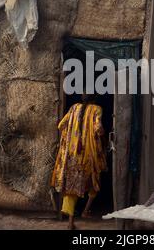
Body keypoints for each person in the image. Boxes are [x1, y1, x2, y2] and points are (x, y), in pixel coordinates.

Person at [51, 94, 107, 230]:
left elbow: (61, 125)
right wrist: (103, 135)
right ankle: (85, 211)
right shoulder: (97, 109)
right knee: (94, 181)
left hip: (72, 155)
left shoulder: (73, 108)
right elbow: (98, 129)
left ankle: (70, 222)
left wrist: (70, 138)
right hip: (88, 155)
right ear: (94, 99)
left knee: (72, 189)